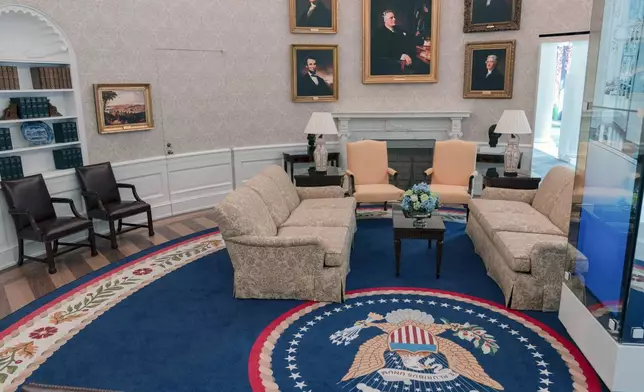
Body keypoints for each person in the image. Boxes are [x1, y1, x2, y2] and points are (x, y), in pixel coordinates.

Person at [371, 9, 426, 75]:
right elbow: (383, 51)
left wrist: (423, 42)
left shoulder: (398, 29)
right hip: (393, 63)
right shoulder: (379, 33)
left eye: (394, 17)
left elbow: (410, 37)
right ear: (385, 20)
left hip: (408, 57)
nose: (394, 19)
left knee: (424, 65)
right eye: (391, 18)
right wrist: (401, 55)